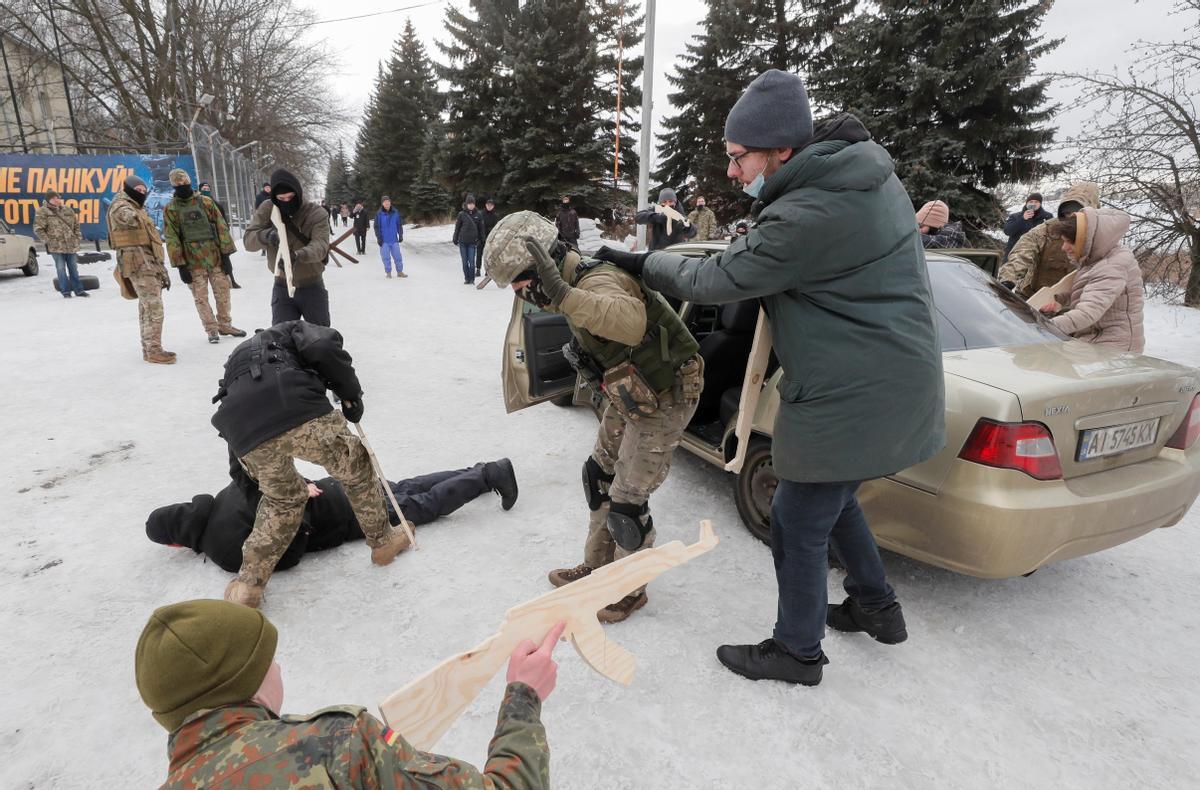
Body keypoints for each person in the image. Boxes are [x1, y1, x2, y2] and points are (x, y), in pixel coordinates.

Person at [594, 70, 944, 684]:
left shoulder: (809, 213)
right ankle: (877, 607)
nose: (732, 172)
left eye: (738, 158)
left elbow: (715, 279)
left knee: (797, 518)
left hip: (852, 390)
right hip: (895, 378)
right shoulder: (865, 179)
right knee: (832, 499)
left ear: (782, 149)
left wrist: (641, 261)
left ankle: (797, 651)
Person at [479, 211, 704, 623]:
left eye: (518, 282)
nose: (517, 293)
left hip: (668, 390)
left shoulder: (593, 280)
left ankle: (628, 590)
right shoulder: (567, 284)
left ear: (540, 266)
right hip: (633, 388)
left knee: (627, 502)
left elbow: (630, 322)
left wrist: (564, 296)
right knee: (598, 474)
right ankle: (597, 567)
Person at [135, 599, 555, 786]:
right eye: (267, 658)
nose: (277, 666)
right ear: (243, 683)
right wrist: (523, 696)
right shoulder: (337, 744)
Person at [211, 321, 409, 606]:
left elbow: (235, 408)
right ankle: (383, 542)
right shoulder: (291, 330)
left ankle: (248, 585)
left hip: (243, 433)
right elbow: (323, 345)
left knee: (282, 500)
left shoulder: (236, 362)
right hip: (297, 408)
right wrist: (351, 395)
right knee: (355, 470)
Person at [146, 452, 519, 573]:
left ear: (176, 543)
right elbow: (278, 475)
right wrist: (309, 487)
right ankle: (477, 469)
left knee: (417, 506)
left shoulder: (223, 548)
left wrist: (306, 529)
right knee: (405, 487)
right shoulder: (225, 493)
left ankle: (487, 476)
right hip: (332, 486)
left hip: (336, 517)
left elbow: (285, 553)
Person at [1040, 207, 1145, 352]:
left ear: (1087, 240)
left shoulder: (1112, 266)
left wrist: (1042, 327)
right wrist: (1060, 298)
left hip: (1112, 349)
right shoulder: (1097, 258)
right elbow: (1092, 291)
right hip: (1096, 339)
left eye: (1069, 242)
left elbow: (1087, 313)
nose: (1064, 248)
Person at [163, 169, 245, 344]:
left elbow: (221, 227)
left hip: (214, 258)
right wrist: (180, 265)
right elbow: (172, 237)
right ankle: (211, 329)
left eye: (184, 183)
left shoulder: (206, 202)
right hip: (193, 263)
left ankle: (224, 324)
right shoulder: (171, 208)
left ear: (189, 182)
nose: (182, 186)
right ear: (173, 186)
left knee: (223, 293)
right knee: (201, 298)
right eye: (178, 185)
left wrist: (226, 256)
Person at [244, 169, 332, 326]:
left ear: (298, 193)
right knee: (281, 341)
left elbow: (320, 246)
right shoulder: (268, 208)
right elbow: (248, 241)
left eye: (291, 197)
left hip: (312, 286)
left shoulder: (316, 213)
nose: (287, 201)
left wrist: (298, 256)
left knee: (321, 340)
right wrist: (266, 236)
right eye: (281, 198)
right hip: (282, 287)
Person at [107, 175, 176, 364]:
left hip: (147, 262)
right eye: (138, 191)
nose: (142, 194)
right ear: (129, 189)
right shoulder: (121, 205)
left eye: (144, 191)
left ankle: (149, 348)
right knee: (154, 308)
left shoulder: (136, 206)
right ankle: (154, 349)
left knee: (146, 308)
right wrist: (137, 214)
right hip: (138, 264)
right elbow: (126, 217)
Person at [998, 182, 1100, 298]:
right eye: (1066, 213)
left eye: (1075, 214)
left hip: (1070, 304)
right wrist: (1008, 280)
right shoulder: (1048, 229)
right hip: (1032, 296)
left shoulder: (1100, 238)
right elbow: (1024, 250)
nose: (1069, 218)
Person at [33, 189, 86, 298]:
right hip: (56, 247)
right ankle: (66, 292)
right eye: (54, 198)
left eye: (58, 197)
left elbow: (76, 224)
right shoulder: (42, 211)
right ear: (48, 200)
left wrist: (77, 237)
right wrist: (48, 241)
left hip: (71, 245)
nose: (57, 200)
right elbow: (38, 229)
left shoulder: (67, 209)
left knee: (73, 269)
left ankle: (79, 290)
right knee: (61, 269)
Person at [198, 181, 240, 288]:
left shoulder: (216, 204)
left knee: (225, 258)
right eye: (204, 189)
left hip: (218, 236)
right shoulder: (197, 204)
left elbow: (223, 220)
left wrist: (224, 232)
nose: (206, 191)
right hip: (203, 238)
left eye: (208, 189)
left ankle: (231, 280)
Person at [1002, 192, 1052, 260]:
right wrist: (1022, 219)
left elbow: (1052, 235)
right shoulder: (1015, 216)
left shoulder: (1047, 217)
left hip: (1037, 256)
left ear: (1040, 204)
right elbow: (1007, 231)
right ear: (1027, 203)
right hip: (1015, 255)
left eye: (1036, 202)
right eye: (1031, 201)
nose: (1033, 204)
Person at [452, 194, 483, 285]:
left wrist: (482, 239)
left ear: (474, 204)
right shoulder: (461, 214)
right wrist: (455, 237)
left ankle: (472, 279)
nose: (471, 205)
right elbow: (457, 227)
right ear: (466, 204)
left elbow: (481, 229)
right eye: (469, 204)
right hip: (462, 242)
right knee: (465, 262)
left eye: (472, 203)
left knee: (472, 262)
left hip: (472, 243)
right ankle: (467, 278)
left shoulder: (478, 214)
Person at [375, 195, 405, 278]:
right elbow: (376, 227)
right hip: (384, 240)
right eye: (385, 202)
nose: (387, 203)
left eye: (388, 201)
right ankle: (388, 273)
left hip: (394, 239)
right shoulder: (379, 214)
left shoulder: (395, 212)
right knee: (385, 257)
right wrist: (378, 238)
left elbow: (399, 224)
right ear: (382, 204)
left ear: (390, 202)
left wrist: (400, 234)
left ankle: (400, 272)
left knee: (398, 256)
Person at [478, 196, 499, 276]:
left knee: (488, 255)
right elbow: (479, 225)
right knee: (479, 254)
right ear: (485, 205)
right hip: (481, 237)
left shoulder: (495, 215)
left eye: (491, 205)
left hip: (490, 238)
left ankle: (488, 270)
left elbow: (496, 227)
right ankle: (478, 269)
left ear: (493, 206)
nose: (489, 206)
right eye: (488, 205)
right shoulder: (481, 214)